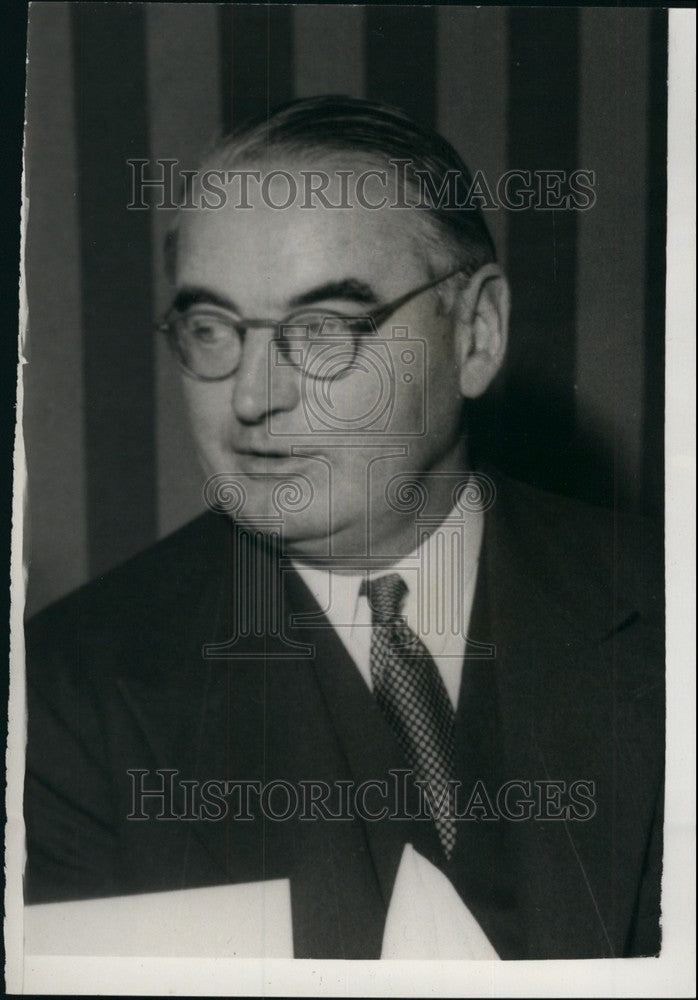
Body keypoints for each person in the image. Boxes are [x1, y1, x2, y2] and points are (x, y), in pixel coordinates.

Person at [23, 96, 664, 960]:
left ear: (476, 334)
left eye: (322, 330)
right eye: (211, 329)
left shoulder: (668, 608)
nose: (253, 397)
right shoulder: (68, 698)